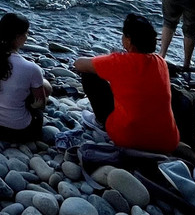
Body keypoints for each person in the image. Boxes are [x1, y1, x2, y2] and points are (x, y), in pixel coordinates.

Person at [73, 13, 180, 153]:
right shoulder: (160, 62)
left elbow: (79, 64)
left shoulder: (119, 62)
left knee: (89, 75)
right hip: (167, 141)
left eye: (124, 35)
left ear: (129, 40)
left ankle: (101, 122)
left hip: (128, 138)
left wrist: (107, 59)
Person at [0, 13, 52, 142]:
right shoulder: (31, 68)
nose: (27, 37)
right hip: (20, 131)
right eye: (26, 33)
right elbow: (41, 106)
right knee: (46, 87)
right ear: (18, 37)